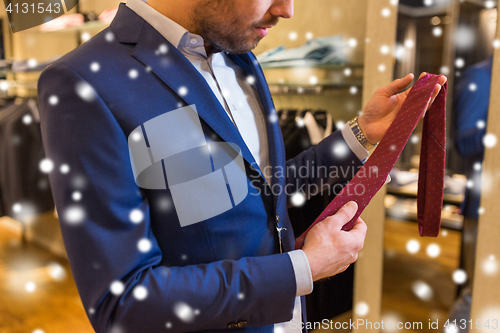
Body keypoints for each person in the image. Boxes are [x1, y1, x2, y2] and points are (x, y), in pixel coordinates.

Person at [37, 0, 446, 332]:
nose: (286, 10)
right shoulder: (84, 83)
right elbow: (121, 302)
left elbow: (260, 192)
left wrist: (361, 133)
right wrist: (302, 269)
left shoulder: (239, 58)